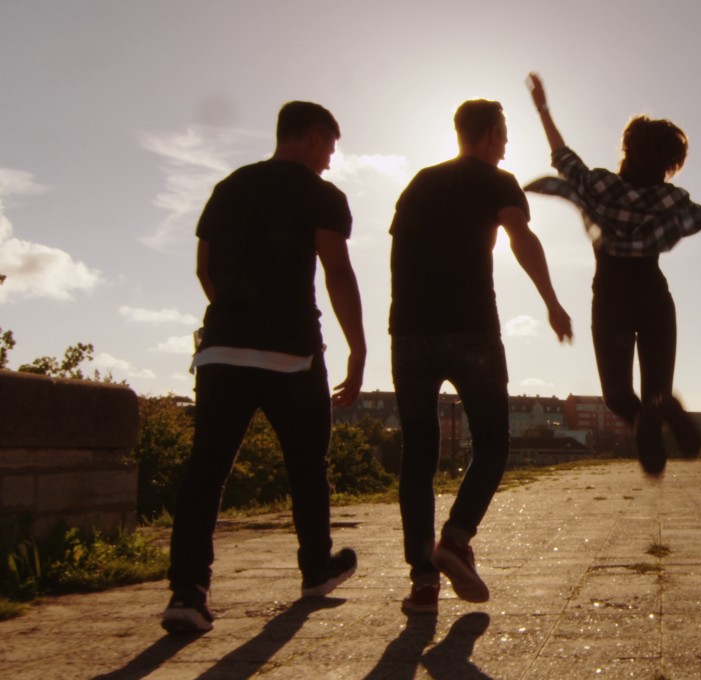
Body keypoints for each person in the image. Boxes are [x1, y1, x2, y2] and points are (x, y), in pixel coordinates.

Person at [162, 101, 366, 634]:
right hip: (291, 353)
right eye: (330, 148)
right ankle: (316, 569)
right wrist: (358, 348)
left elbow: (203, 268)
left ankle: (188, 592)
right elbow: (337, 272)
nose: (330, 160)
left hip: (221, 350)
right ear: (315, 138)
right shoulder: (322, 196)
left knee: (206, 469)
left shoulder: (228, 188)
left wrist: (236, 317)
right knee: (306, 466)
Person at [524, 72, 701, 476]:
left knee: (617, 394)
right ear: (668, 164)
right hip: (654, 299)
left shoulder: (600, 185)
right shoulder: (671, 200)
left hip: (612, 301)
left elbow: (562, 155)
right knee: (657, 390)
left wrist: (542, 107)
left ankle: (644, 421)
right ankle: (663, 408)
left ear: (627, 150)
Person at [390, 98, 573, 614]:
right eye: (505, 133)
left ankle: (424, 583)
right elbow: (520, 237)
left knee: (417, 457)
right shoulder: (499, 181)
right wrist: (552, 302)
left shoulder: (419, 182)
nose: (508, 144)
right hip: (471, 329)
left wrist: (405, 324)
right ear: (491, 133)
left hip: (409, 332)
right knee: (492, 445)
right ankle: (456, 537)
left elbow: (398, 254)